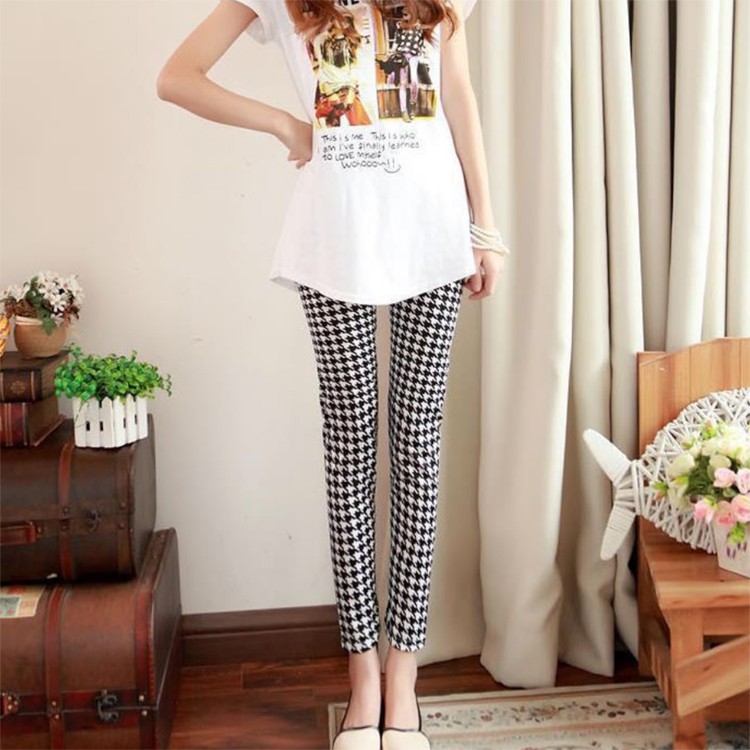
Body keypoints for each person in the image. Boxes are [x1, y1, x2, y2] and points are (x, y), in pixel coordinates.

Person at [156, 1, 509, 748]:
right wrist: (286, 125)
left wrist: (485, 226)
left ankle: (403, 676)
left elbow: (458, 93)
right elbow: (177, 77)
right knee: (350, 452)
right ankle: (362, 676)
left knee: (417, 449)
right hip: (333, 240)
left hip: (433, 234)